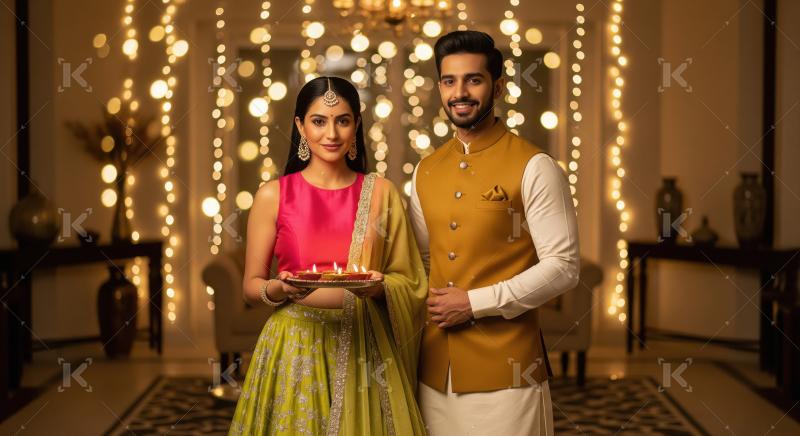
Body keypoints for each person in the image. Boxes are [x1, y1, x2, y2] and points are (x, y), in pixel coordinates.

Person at [229, 76, 428, 436]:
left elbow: (411, 281)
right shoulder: (273, 195)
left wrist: (380, 288)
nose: (331, 133)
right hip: (295, 345)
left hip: (367, 346)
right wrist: (280, 289)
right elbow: (251, 286)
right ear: (300, 126)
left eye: (343, 121)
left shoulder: (382, 193)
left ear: (356, 126)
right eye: (319, 121)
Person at [409, 31, 581, 435]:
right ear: (439, 87)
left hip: (509, 376)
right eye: (449, 81)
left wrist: (474, 303)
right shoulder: (425, 170)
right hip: (433, 373)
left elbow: (563, 267)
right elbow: (423, 262)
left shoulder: (535, 166)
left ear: (498, 87)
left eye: (474, 80)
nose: (460, 93)